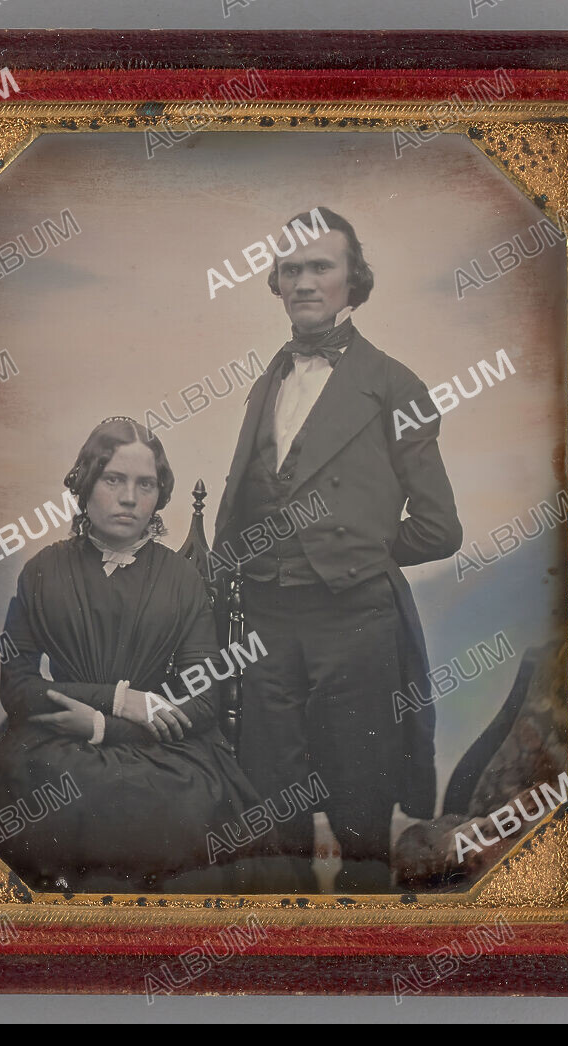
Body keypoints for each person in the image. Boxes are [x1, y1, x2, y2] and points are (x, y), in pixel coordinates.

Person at [213, 207, 463, 892]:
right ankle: (276, 971)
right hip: (265, 625)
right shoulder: (267, 381)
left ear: (353, 278)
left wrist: (356, 558)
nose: (303, 280)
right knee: (271, 811)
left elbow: (441, 527)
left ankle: (366, 974)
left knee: (359, 816)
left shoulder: (396, 385)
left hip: (358, 627)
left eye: (320, 265)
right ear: (275, 282)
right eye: (290, 268)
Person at [0, 417, 259, 893]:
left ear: (160, 495)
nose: (128, 498)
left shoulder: (182, 581)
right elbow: (16, 687)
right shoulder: (43, 571)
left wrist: (105, 725)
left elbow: (202, 701)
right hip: (53, 740)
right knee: (27, 791)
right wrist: (122, 699)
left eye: (146, 484)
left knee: (159, 809)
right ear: (85, 484)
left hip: (159, 750)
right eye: (113, 479)